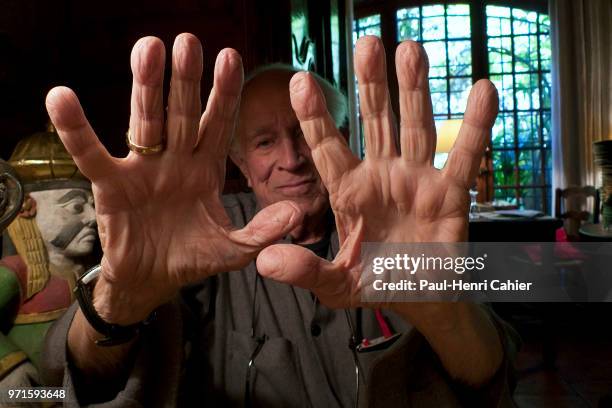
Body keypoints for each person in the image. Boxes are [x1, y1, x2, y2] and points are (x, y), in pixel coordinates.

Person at [41, 33, 517, 406]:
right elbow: (57, 376)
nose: (291, 159)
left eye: (304, 134)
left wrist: (443, 312)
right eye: (265, 142)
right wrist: (117, 302)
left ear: (340, 139)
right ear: (241, 165)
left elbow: (493, 374)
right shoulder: (196, 237)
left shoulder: (403, 226)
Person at [0, 124, 96, 391]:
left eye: (94, 205)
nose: (93, 218)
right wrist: (10, 366)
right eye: (76, 206)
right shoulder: (15, 274)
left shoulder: (95, 273)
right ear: (27, 208)